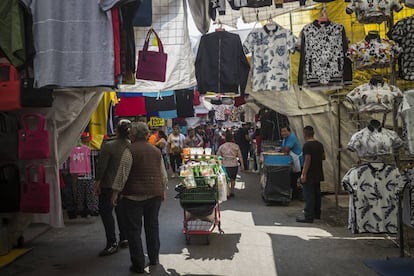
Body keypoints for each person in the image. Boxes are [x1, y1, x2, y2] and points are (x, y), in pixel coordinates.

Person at [111, 122, 168, 274]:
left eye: (131, 132)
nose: (129, 134)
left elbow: (122, 173)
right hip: (154, 195)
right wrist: (163, 189)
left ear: (134, 135)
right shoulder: (156, 150)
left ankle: (138, 264)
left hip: (133, 196)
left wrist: (115, 192)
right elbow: (163, 173)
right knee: (152, 226)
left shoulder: (129, 149)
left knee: (134, 230)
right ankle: (154, 258)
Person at [94, 120, 131, 256]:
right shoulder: (131, 146)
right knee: (122, 212)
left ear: (116, 130)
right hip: (125, 186)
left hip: (109, 185)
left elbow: (102, 167)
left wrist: (97, 182)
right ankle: (124, 237)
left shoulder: (109, 146)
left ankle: (112, 242)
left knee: (106, 213)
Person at [296, 126, 325, 223]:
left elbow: (307, 160)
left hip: (310, 173)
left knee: (309, 195)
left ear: (305, 134)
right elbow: (323, 157)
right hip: (318, 172)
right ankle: (317, 213)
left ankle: (308, 216)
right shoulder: (319, 144)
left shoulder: (307, 146)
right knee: (317, 194)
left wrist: (303, 174)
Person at [217, 130, 245, 198]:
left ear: (225, 138)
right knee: (233, 179)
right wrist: (242, 165)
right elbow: (240, 156)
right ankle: (232, 192)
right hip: (234, 164)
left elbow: (218, 156)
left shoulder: (222, 146)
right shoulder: (236, 146)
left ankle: (227, 193)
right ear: (232, 138)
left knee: (227, 180)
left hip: (225, 164)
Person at [280, 125, 304, 200]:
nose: (283, 133)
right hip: (292, 161)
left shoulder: (291, 137)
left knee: (297, 179)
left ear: (289, 131)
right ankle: (295, 195)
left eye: (285, 131)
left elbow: (286, 150)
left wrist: (283, 150)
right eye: (282, 131)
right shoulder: (285, 139)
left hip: (299, 162)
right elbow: (282, 149)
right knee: (292, 179)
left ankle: (301, 195)